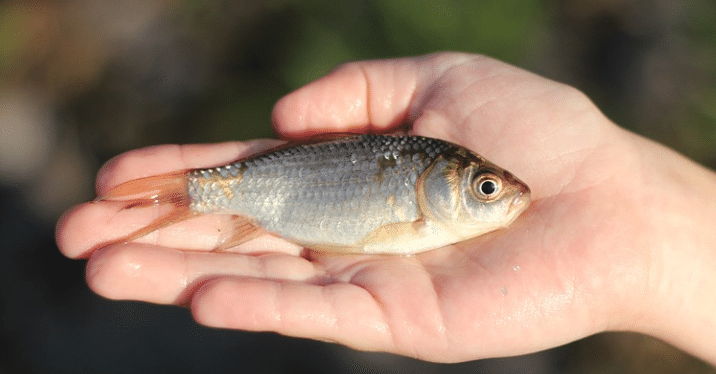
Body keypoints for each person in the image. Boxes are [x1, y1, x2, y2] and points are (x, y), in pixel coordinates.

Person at [56, 52, 716, 364]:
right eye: (484, 188)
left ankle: (174, 195)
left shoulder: (433, 184)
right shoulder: (421, 188)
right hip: (273, 191)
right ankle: (179, 193)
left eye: (487, 189)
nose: (504, 198)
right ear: (441, 183)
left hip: (279, 198)